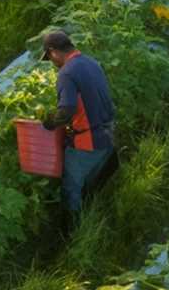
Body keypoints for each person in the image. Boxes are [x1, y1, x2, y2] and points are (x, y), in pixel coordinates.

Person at [40, 28, 117, 226]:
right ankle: (97, 218)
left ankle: (72, 232)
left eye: (50, 58)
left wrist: (49, 123)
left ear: (53, 51)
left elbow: (66, 109)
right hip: (108, 134)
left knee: (70, 188)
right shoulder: (91, 62)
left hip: (87, 142)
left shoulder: (67, 73)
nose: (53, 64)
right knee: (91, 186)